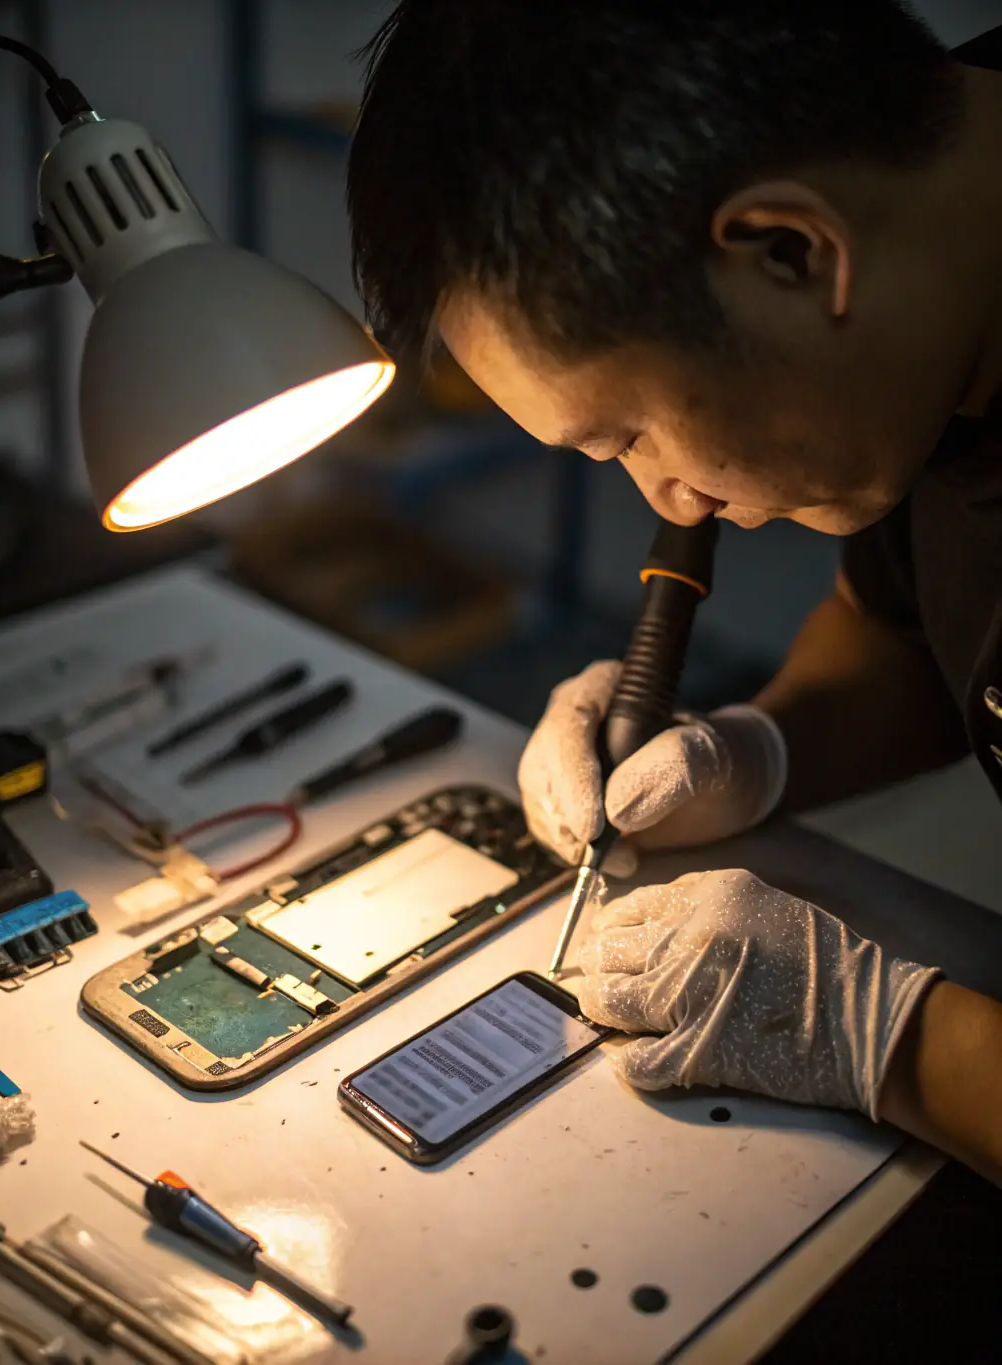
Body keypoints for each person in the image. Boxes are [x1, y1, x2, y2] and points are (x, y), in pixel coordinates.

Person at [346, 1, 1002, 1185]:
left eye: (632, 433)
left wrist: (885, 1037)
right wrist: (754, 754)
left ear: (792, 254)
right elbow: (914, 635)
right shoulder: (943, 217)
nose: (674, 503)